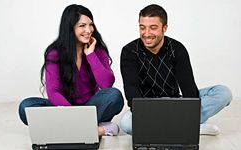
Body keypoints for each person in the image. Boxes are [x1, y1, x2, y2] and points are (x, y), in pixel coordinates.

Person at [120, 4, 232, 136]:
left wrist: (189, 109)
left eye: (153, 28)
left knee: (223, 92)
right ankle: (190, 127)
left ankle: (174, 125)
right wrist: (145, 113)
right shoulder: (130, 51)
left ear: (164, 28)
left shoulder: (177, 49)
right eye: (142, 27)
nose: (146, 33)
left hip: (175, 103)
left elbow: (188, 87)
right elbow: (131, 89)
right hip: (147, 106)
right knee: (126, 124)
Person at [18, 4, 124, 136]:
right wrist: (72, 116)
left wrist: (90, 55)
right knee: (26, 106)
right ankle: (93, 129)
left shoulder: (97, 50)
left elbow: (106, 84)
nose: (89, 30)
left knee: (114, 96)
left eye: (91, 25)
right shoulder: (54, 53)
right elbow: (53, 91)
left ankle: (64, 130)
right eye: (82, 26)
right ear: (70, 28)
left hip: (90, 108)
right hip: (62, 108)